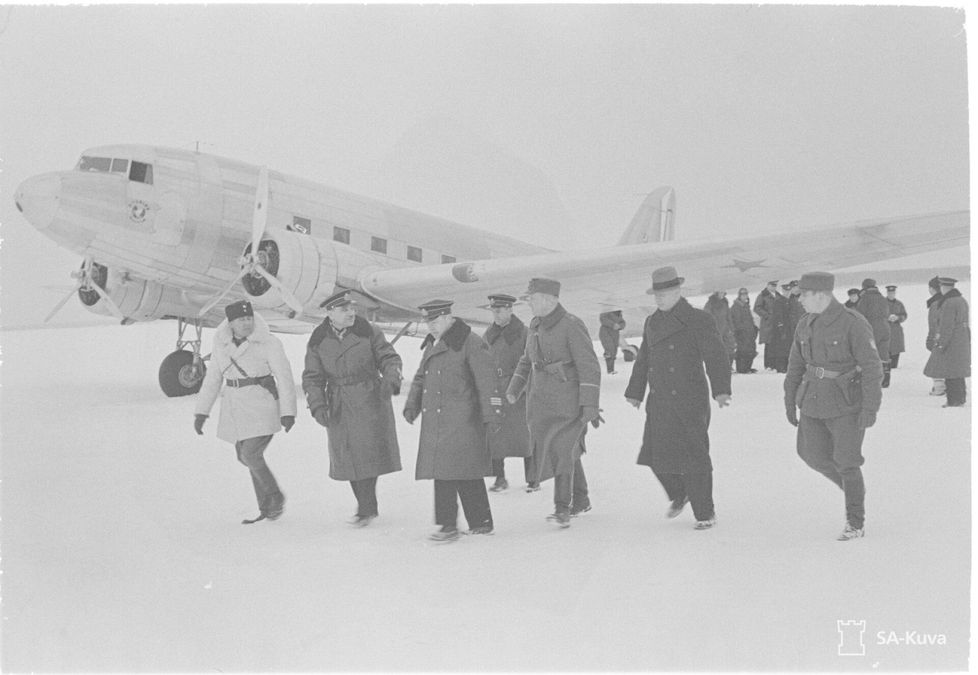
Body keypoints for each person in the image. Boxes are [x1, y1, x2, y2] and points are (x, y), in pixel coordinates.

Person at [625, 266, 731, 530]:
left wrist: (721, 389)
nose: (659, 299)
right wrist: (635, 392)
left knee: (694, 456)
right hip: (659, 399)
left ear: (678, 291)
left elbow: (715, 355)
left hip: (689, 399)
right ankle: (679, 493)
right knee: (654, 455)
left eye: (665, 293)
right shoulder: (652, 322)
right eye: (657, 294)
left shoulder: (698, 319)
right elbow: (644, 360)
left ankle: (705, 512)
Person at [784, 272, 883, 541]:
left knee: (847, 462)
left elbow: (873, 368)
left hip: (846, 404)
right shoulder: (805, 323)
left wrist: (870, 408)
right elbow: (795, 365)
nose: (800, 299)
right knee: (810, 454)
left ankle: (855, 521)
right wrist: (790, 400)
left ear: (821, 295)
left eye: (804, 294)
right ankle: (853, 490)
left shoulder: (853, 323)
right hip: (812, 401)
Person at [301, 290, 403, 527]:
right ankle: (367, 505)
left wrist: (391, 379)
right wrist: (317, 405)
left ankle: (366, 507)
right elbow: (312, 377)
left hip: (370, 398)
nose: (351, 313)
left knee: (368, 452)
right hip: (338, 402)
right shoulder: (317, 340)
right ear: (330, 313)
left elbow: (389, 357)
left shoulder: (368, 331)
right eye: (344, 309)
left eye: (351, 308)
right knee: (347, 457)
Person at [506, 278, 601, 528]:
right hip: (541, 402)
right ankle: (581, 498)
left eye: (533, 298)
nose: (529, 303)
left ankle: (562, 508)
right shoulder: (535, 325)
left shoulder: (572, 325)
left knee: (561, 449)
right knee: (564, 450)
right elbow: (527, 361)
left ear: (550, 300)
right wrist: (514, 388)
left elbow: (589, 366)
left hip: (568, 402)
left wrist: (589, 404)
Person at [194, 300, 297, 524]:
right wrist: (201, 412)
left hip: (262, 404)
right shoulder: (221, 343)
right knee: (244, 457)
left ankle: (274, 496)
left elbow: (285, 377)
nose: (246, 323)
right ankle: (267, 508)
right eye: (241, 320)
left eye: (249, 318)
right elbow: (213, 378)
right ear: (231, 323)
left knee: (251, 455)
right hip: (235, 406)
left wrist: (288, 412)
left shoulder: (269, 342)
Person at [403, 299, 499, 542]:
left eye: (434, 321)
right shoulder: (435, 344)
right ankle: (481, 522)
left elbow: (487, 383)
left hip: (464, 420)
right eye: (428, 322)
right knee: (464, 471)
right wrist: (412, 403)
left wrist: (493, 415)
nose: (431, 326)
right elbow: (421, 377)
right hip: (439, 420)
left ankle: (447, 525)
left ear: (448, 317)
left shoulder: (471, 343)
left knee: (446, 471)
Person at [483, 293, 537, 493]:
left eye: (499, 310)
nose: (496, 315)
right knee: (495, 436)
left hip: (518, 390)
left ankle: (534, 478)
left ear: (509, 310)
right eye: (493, 311)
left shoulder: (524, 333)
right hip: (495, 389)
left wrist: (523, 388)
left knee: (525, 435)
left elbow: (531, 362)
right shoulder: (489, 334)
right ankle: (499, 478)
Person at [924, 277, 970, 407]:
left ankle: (953, 401)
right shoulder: (962, 300)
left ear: (944, 288)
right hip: (961, 340)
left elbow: (946, 326)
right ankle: (960, 399)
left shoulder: (948, 303)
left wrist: (941, 343)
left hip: (951, 341)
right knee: (959, 372)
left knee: (950, 372)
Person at [855, 278, 891, 388]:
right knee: (884, 354)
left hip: (871, 328)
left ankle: (872, 379)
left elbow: (860, 316)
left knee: (870, 354)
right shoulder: (882, 298)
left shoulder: (865, 299)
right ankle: (885, 379)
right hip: (885, 328)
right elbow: (887, 312)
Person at [924, 276, 946, 396]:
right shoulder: (947, 300)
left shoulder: (935, 303)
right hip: (947, 336)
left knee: (936, 362)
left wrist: (930, 338)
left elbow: (933, 323)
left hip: (937, 337)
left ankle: (939, 387)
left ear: (932, 289)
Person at [703, 291, 736, 369]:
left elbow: (728, 317)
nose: (722, 294)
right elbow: (706, 316)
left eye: (723, 293)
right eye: (720, 292)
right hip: (715, 329)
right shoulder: (711, 303)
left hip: (725, 329)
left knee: (729, 347)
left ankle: (728, 366)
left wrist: (731, 328)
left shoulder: (725, 302)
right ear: (717, 293)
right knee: (717, 348)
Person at [730, 287, 758, 373]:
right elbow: (736, 321)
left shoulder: (746, 306)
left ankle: (747, 367)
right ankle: (742, 369)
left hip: (749, 333)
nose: (745, 296)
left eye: (746, 294)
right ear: (739, 295)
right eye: (743, 294)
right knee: (742, 351)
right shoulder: (736, 307)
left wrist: (753, 328)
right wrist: (740, 331)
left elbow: (749, 319)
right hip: (741, 333)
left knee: (751, 350)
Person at [754, 280, 779, 370]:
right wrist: (767, 315)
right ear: (768, 285)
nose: (774, 287)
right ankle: (768, 364)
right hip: (768, 324)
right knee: (769, 345)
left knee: (776, 344)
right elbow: (757, 308)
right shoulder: (763, 295)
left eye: (775, 285)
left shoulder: (777, 295)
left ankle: (774, 364)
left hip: (776, 324)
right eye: (772, 285)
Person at [768, 283, 793, 373]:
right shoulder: (779, 301)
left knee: (788, 348)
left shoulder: (791, 301)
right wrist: (781, 327)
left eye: (789, 291)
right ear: (783, 291)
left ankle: (786, 366)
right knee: (781, 349)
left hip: (789, 329)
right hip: (781, 329)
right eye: (786, 291)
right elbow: (778, 316)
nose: (787, 293)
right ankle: (780, 367)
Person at [885, 285, 907, 369]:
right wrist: (887, 317)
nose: (891, 294)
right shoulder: (883, 303)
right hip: (886, 329)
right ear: (887, 293)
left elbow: (904, 315)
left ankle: (894, 366)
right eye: (890, 293)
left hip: (896, 330)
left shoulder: (899, 304)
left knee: (896, 351)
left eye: (893, 293)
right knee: (886, 350)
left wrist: (898, 318)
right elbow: (878, 315)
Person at [599, 310, 627, 374]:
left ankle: (611, 369)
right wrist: (613, 325)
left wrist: (620, 326)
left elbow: (623, 322)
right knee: (609, 349)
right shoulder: (607, 311)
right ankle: (610, 370)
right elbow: (602, 319)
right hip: (605, 332)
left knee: (614, 351)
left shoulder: (619, 314)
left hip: (615, 333)